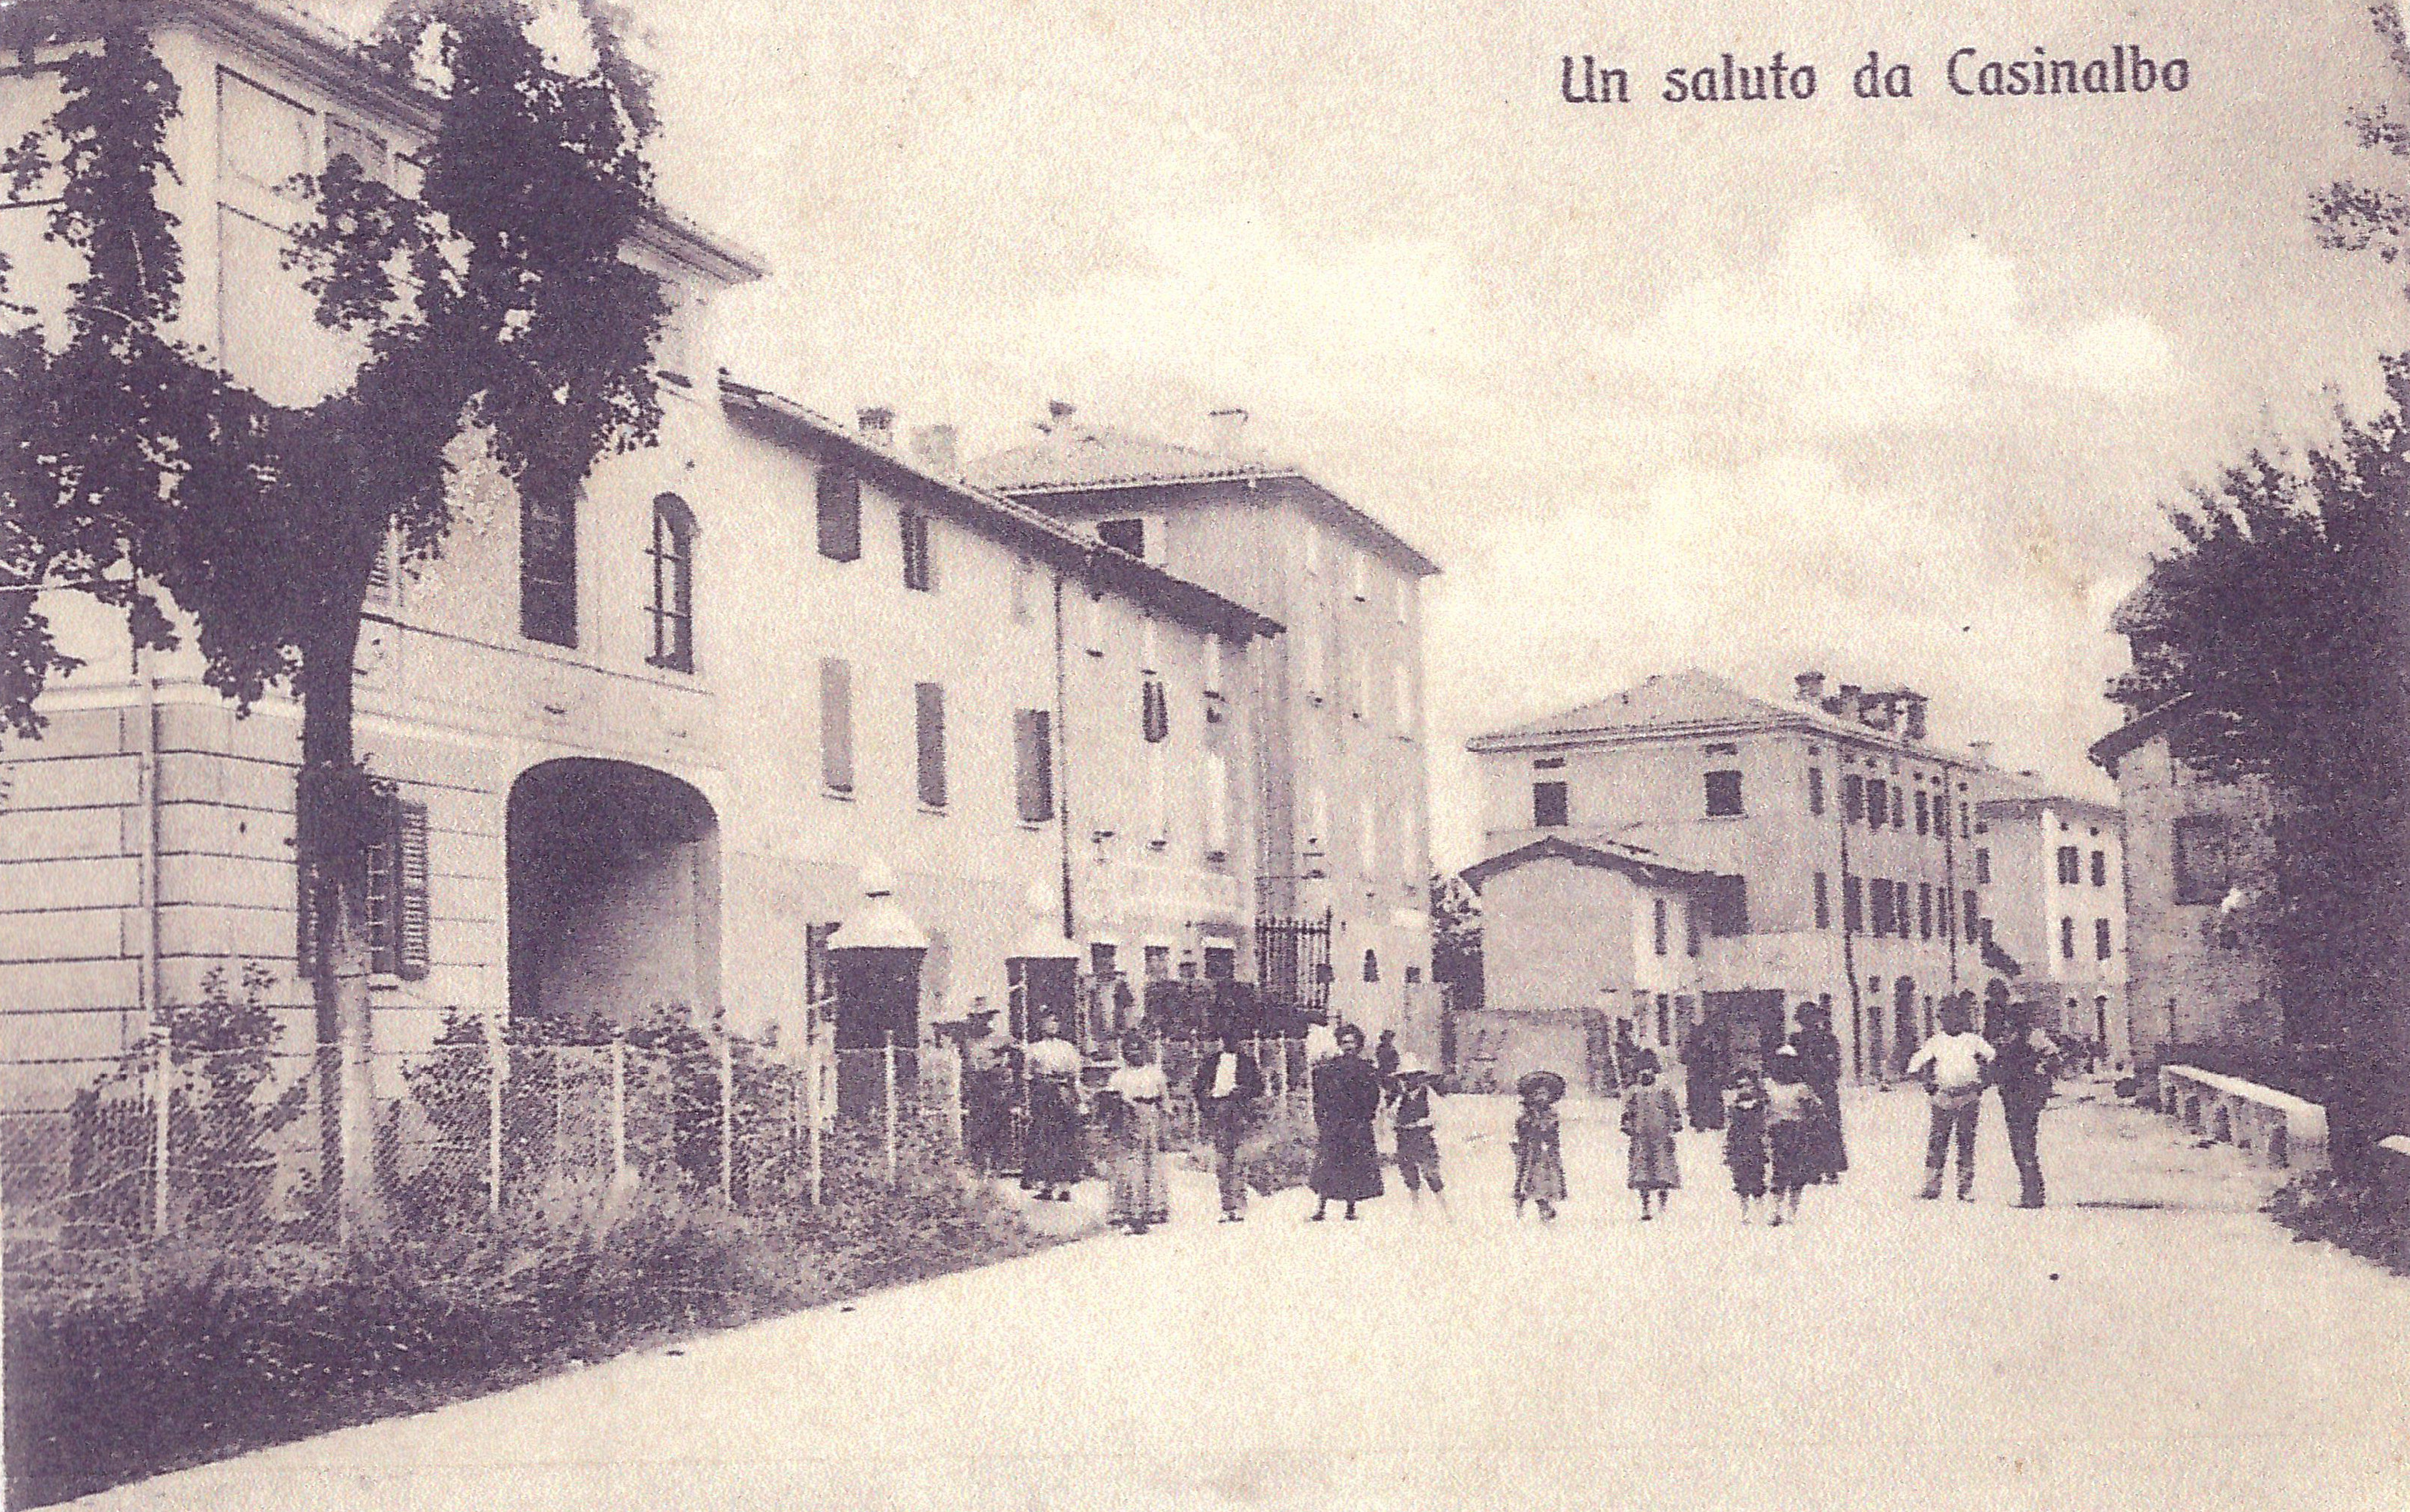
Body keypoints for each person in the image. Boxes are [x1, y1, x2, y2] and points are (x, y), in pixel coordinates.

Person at [1906, 994, 1995, 1202]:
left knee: (1966, 1141)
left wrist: (1982, 1084)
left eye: (1956, 1016)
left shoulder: (1974, 1041)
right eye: (1945, 1016)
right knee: (1938, 1141)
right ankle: (1931, 1186)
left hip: (1968, 1098)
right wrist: (1929, 1085)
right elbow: (1915, 1066)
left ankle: (1965, 1187)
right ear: (1941, 1019)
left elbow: (1993, 1061)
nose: (1951, 1020)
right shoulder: (1935, 1042)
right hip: (1943, 1098)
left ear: (1962, 1018)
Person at [1309, 1023, 1384, 1220]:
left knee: (1353, 1164)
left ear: (1358, 1044)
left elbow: (1373, 1096)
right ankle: (1321, 1207)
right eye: (1344, 1042)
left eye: (1352, 1042)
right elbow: (1321, 1096)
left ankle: (1351, 1208)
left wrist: (1365, 1117)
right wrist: (1323, 1119)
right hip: (1335, 1123)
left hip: (1356, 1124)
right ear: (1339, 1044)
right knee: (1328, 1164)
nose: (1348, 1046)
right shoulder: (1330, 1068)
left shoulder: (1366, 1069)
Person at [1191, 1024, 1264, 1222]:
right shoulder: (1211, 1062)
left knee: (1239, 1158)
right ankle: (1226, 1205)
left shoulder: (1247, 1063)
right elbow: (1197, 1087)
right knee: (1222, 1160)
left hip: (1239, 1110)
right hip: (1218, 1111)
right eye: (1226, 1038)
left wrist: (1242, 1091)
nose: (1230, 1042)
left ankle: (1240, 1204)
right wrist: (1207, 1103)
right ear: (1221, 1040)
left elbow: (1258, 1087)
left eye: (1235, 1038)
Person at [1993, 999, 2060, 1209]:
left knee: (2023, 1143)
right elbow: (1998, 1066)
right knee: (2021, 1144)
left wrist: (2040, 1073)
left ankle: (2033, 1193)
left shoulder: (2035, 1038)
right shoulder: (2009, 1038)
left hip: (2027, 1096)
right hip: (2012, 1096)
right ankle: (2031, 1191)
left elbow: (2053, 1060)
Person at [1102, 1032, 1170, 1234]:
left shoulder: (1155, 1073)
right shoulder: (1118, 1076)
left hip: (1149, 1114)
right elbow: (1109, 1099)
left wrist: (1165, 1120)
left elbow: (1165, 1099)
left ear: (1144, 1050)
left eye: (1138, 1048)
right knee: (1128, 1164)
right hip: (1125, 1117)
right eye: (1130, 1049)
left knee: (1150, 1162)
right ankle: (1125, 1210)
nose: (1134, 1053)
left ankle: (1152, 1208)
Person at [1020, 1010, 1085, 1202]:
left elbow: (1075, 1076)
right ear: (1040, 1025)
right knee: (1045, 1139)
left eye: (1055, 1021)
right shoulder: (1033, 1049)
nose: (1052, 1025)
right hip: (1043, 1095)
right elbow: (1028, 1076)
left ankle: (1065, 1188)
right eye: (1047, 1022)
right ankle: (1048, 1186)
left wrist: (1078, 1100)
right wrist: (1028, 1103)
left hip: (1064, 1094)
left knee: (1065, 1139)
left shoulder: (1068, 1048)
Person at [1762, 1045, 1822, 1226]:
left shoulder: (1802, 1088)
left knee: (1796, 1174)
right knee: (1779, 1172)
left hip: (1797, 1132)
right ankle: (1777, 1210)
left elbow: (1815, 1110)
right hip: (1777, 1132)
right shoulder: (1767, 1085)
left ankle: (1791, 1211)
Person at [1622, 1050, 1682, 1220]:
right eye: (1642, 1071)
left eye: (1649, 1070)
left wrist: (1675, 1124)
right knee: (1642, 1173)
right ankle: (1645, 1206)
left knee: (1663, 1170)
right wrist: (1627, 1126)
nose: (1645, 1074)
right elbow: (1628, 1112)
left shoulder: (1664, 1090)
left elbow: (1673, 1109)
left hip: (1661, 1135)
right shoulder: (1633, 1091)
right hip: (1640, 1136)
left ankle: (1663, 1205)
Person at [1791, 1001, 1847, 1184]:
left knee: (1827, 1127)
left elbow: (1835, 1066)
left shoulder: (1828, 1039)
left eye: (1811, 1018)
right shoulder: (1795, 1040)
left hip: (1823, 1088)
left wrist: (1822, 1076)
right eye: (1805, 1019)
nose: (1809, 1022)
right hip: (1806, 1088)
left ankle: (1830, 1169)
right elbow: (1789, 1065)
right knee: (1808, 1128)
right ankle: (1813, 1168)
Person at [959, 1008, 1017, 1177]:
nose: (981, 1022)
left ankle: (997, 1165)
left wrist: (1007, 1074)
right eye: (977, 1018)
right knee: (978, 1126)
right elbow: (965, 1064)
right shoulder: (968, 1042)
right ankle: (979, 1166)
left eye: (985, 1018)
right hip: (977, 1087)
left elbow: (1020, 1055)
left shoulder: (1001, 1039)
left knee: (999, 1125)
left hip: (996, 1086)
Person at [1390, 1055, 1448, 1212]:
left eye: (1412, 1077)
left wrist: (1420, 1123)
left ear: (1419, 1078)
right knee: (1409, 1175)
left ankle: (1445, 1209)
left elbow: (1437, 1116)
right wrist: (1397, 1122)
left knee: (1431, 1174)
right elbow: (1392, 1115)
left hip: (1422, 1139)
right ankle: (1416, 1209)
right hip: (1404, 1139)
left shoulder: (1428, 1095)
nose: (1408, 1081)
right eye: (1405, 1078)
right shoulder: (1401, 1097)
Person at [1512, 1070, 1568, 1221]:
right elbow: (1520, 1130)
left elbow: (1553, 1133)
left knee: (1544, 1180)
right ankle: (1521, 1202)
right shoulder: (1526, 1115)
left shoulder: (1551, 1114)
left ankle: (1544, 1205)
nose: (1541, 1097)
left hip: (1545, 1153)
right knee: (1525, 1177)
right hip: (1528, 1151)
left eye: (1545, 1094)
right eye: (1538, 1093)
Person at [1724, 1065, 1769, 1223]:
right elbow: (1731, 1129)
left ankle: (1760, 1211)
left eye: (1748, 1085)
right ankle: (1745, 1212)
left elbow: (1764, 1127)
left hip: (1755, 1146)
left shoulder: (1760, 1107)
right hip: (1739, 1146)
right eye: (1740, 1086)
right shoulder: (1733, 1108)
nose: (1745, 1089)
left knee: (1758, 1177)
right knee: (1740, 1179)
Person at [1681, 1019, 1725, 1132]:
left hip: (1704, 1076)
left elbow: (1684, 1059)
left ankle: (1708, 1120)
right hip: (1701, 1076)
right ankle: (1705, 1120)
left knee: (1704, 1098)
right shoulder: (1695, 1045)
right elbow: (1684, 1058)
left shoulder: (1709, 1044)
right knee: (1703, 1098)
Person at [1374, 1029, 1402, 1106]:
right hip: (1384, 1071)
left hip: (1390, 1072)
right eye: (1387, 1038)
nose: (1389, 1040)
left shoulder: (1392, 1048)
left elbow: (1397, 1061)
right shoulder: (1381, 1049)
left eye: (1390, 1038)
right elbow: (1381, 1059)